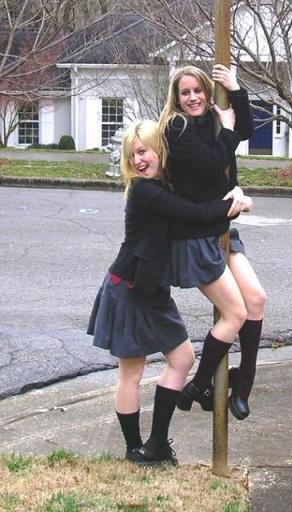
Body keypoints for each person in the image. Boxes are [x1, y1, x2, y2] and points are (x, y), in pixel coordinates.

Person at [87, 120, 252, 467]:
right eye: (132, 156)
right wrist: (235, 204)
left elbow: (204, 189)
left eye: (143, 151)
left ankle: (157, 443)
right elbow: (194, 213)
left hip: (152, 289)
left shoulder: (164, 186)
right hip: (129, 289)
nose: (138, 160)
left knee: (182, 359)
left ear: (160, 150)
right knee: (131, 372)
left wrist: (231, 189)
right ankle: (135, 449)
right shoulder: (145, 191)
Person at [158, 63, 267, 420]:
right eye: (185, 93)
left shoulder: (213, 120)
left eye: (198, 91)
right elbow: (209, 164)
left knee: (256, 299)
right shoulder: (176, 128)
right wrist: (229, 130)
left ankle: (244, 387)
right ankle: (200, 383)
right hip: (197, 236)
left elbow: (245, 129)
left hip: (222, 230)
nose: (193, 98)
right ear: (176, 98)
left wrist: (234, 90)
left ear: (207, 91)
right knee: (236, 313)